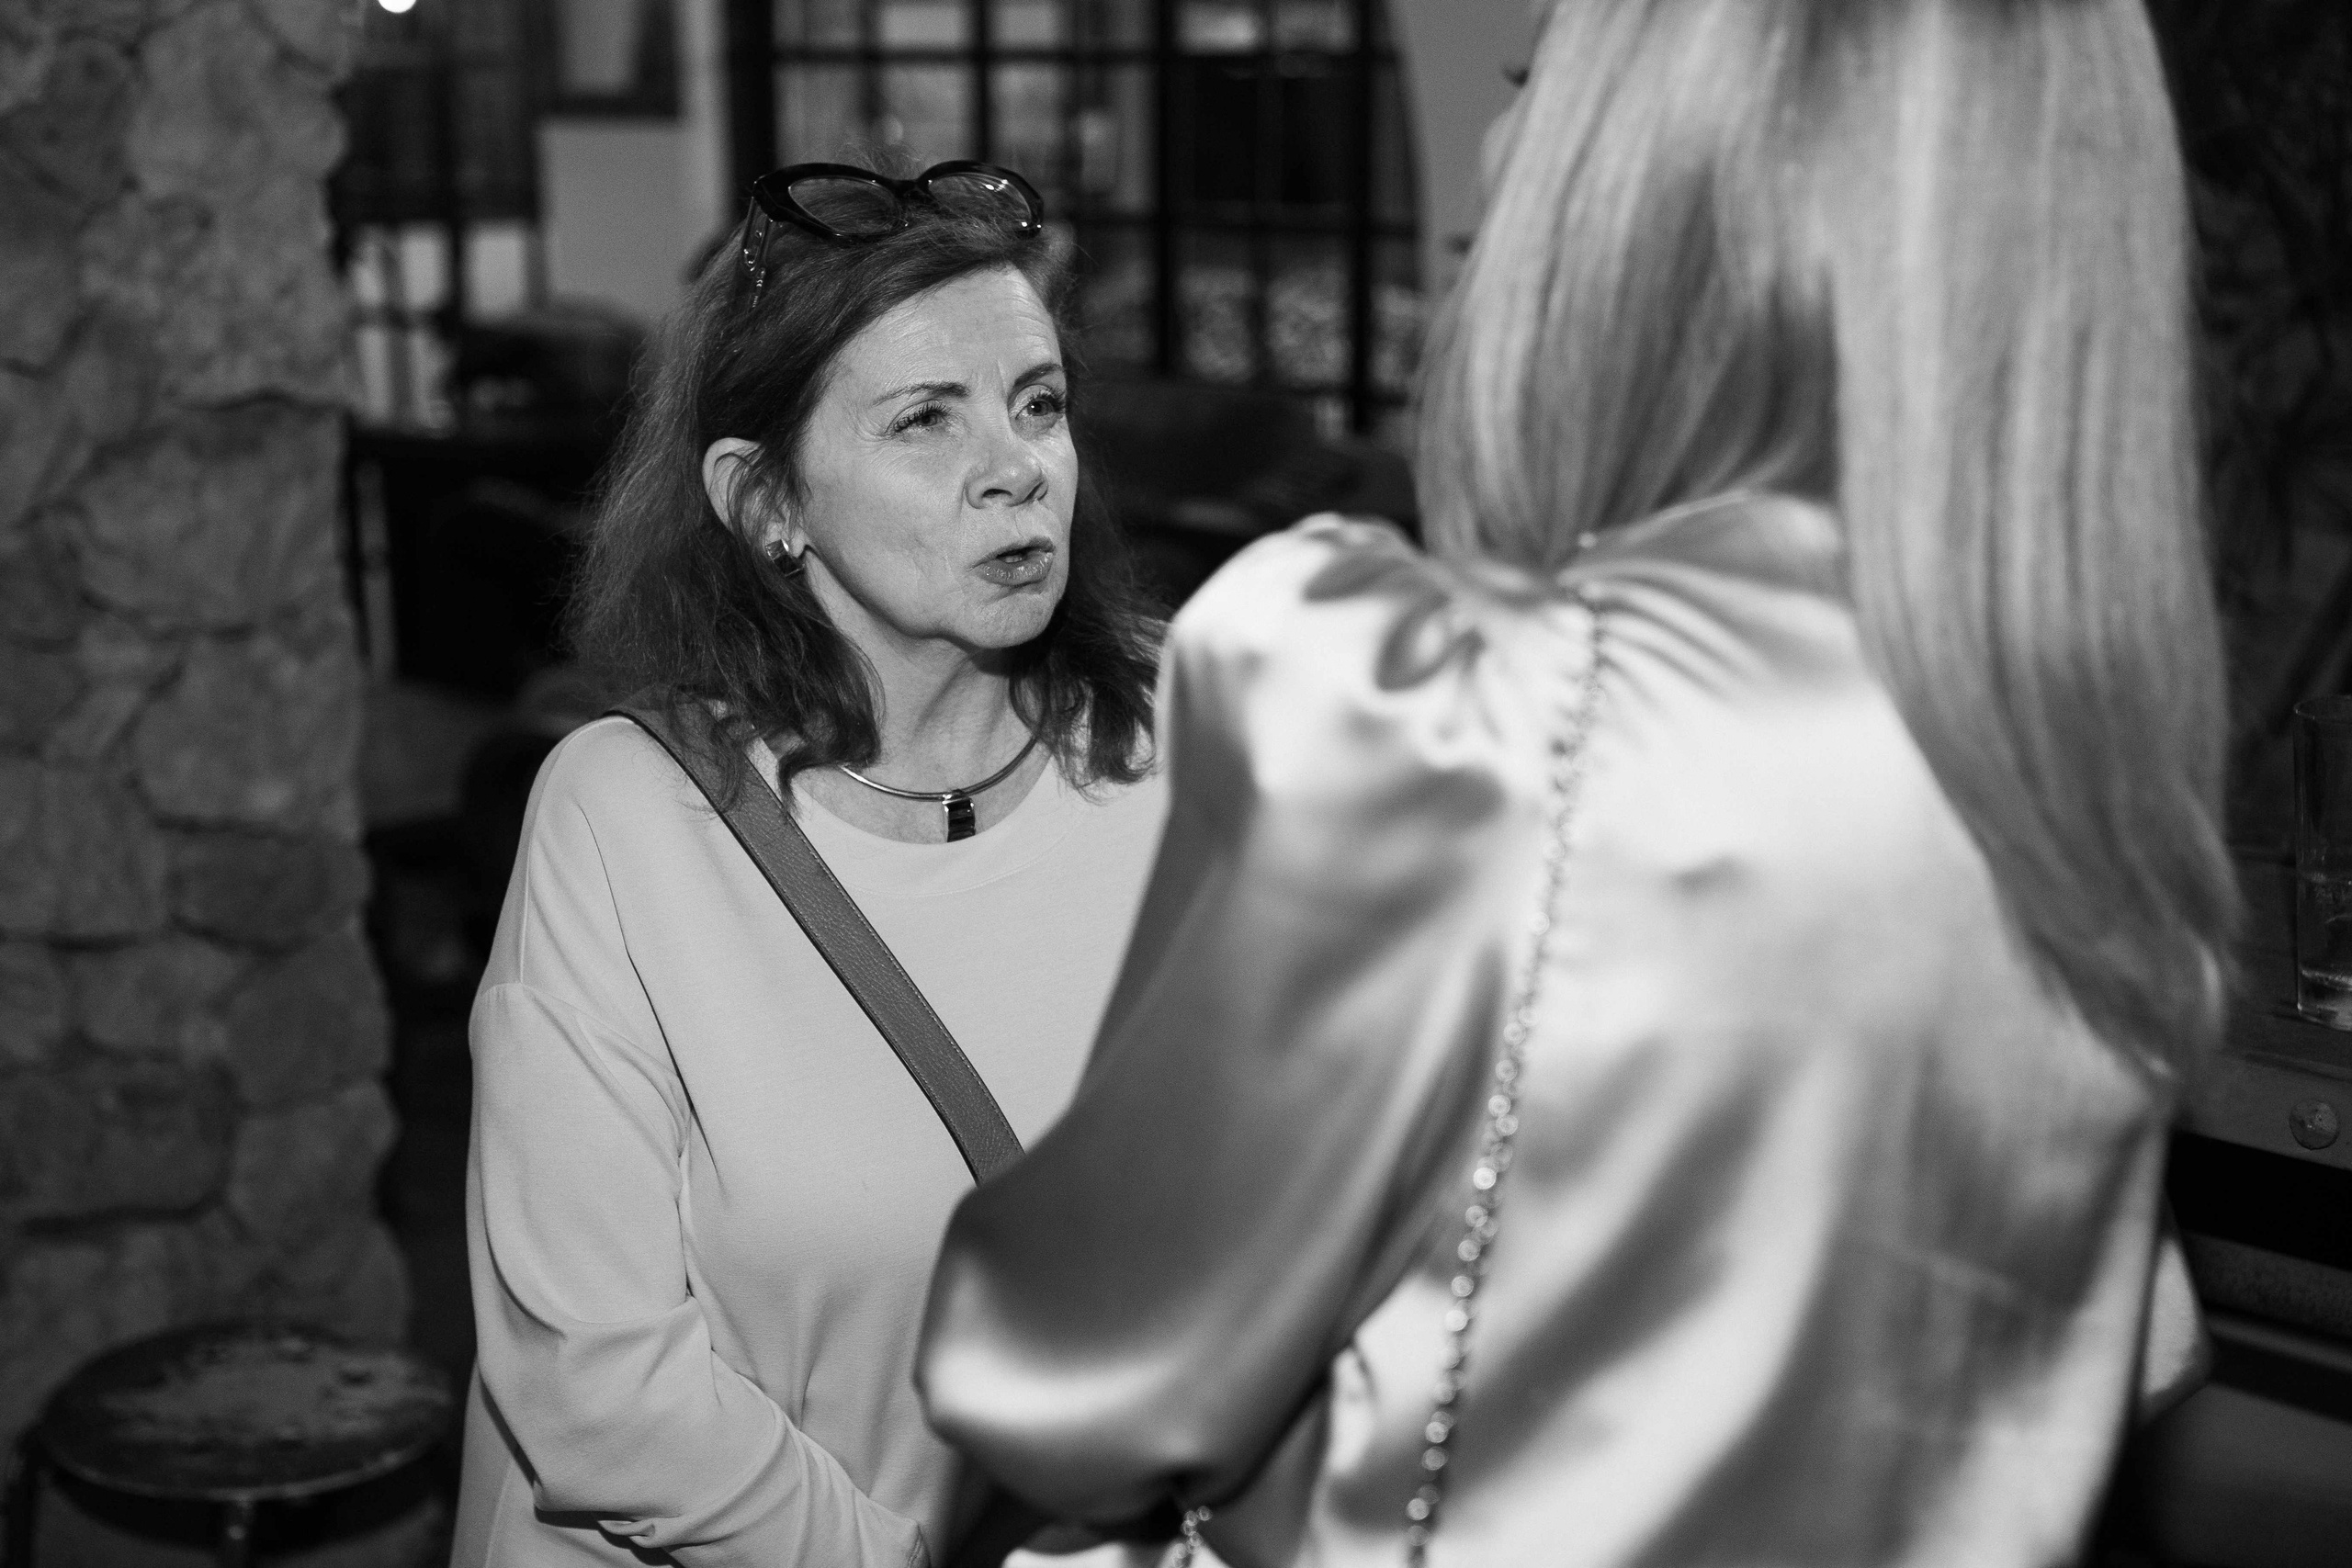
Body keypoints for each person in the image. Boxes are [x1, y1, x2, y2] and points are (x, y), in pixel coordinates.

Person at [915, 3, 2235, 1564]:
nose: (1494, 144)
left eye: (1543, 85)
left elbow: (1064, 1375)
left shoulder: (1443, 709)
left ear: (1675, 175)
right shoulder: (2082, 797)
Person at [453, 162, 1169, 1568]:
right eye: (924, 419)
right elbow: (597, 1389)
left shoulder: (1178, 758)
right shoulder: (627, 822)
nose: (1018, 463)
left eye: (1039, 402)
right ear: (767, 501)